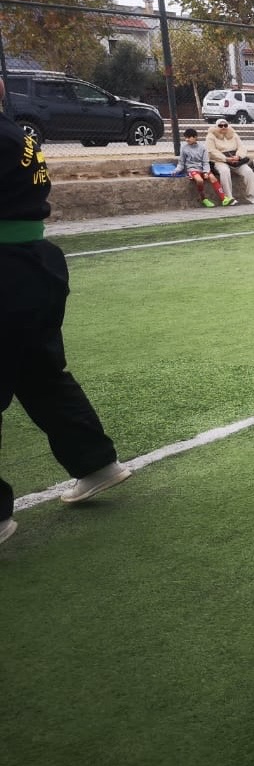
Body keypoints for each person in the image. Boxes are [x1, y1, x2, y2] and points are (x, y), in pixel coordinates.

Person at [1, 75, 132, 547]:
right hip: (34, 265)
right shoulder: (15, 132)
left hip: (7, 268)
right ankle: (95, 463)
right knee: (40, 374)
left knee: (39, 374)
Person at [205, 119, 254, 204]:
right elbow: (211, 151)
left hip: (235, 160)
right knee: (224, 171)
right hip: (220, 160)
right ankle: (229, 198)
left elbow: (242, 147)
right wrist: (225, 158)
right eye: (220, 126)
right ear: (216, 127)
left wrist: (238, 156)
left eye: (225, 125)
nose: (223, 127)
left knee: (249, 172)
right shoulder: (211, 136)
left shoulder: (233, 134)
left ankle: (252, 197)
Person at [174, 128, 232, 207]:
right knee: (199, 180)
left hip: (202, 169)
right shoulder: (184, 148)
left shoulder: (203, 148)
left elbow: (205, 162)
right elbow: (181, 163)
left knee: (213, 178)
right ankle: (203, 199)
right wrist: (176, 170)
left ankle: (224, 199)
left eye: (189, 137)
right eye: (186, 137)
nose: (187, 139)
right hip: (192, 169)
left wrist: (206, 172)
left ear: (195, 137)